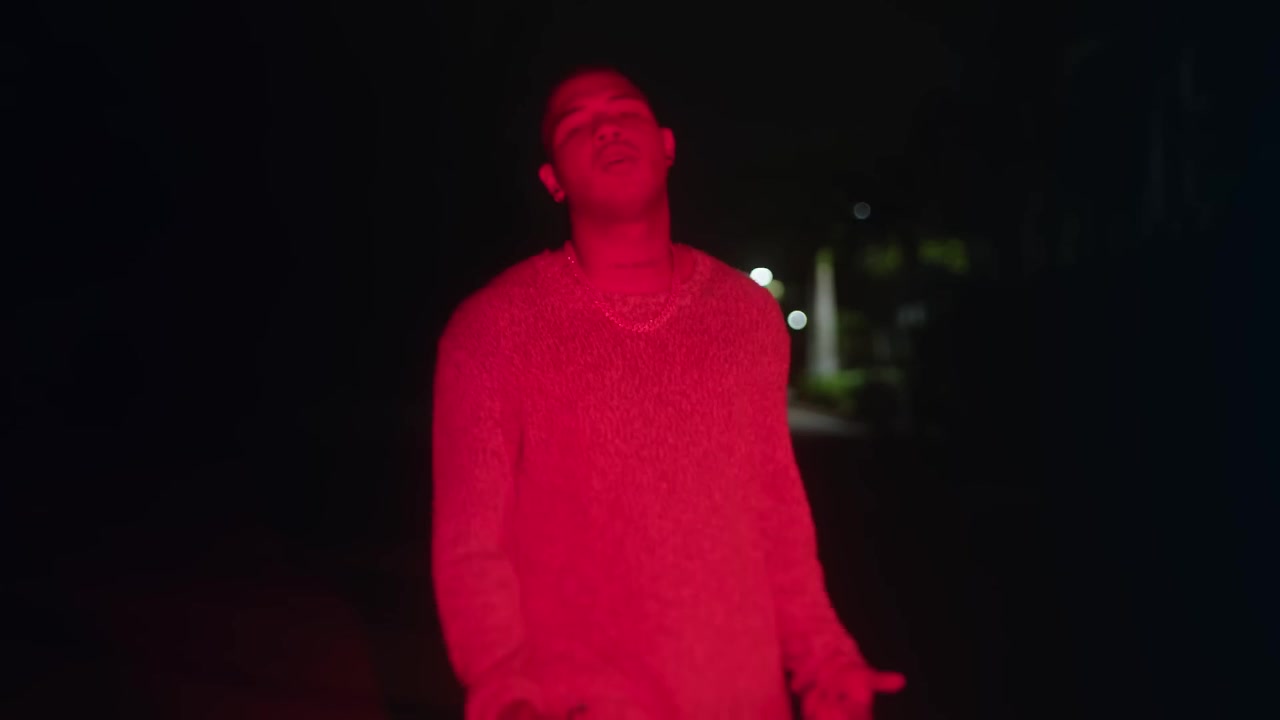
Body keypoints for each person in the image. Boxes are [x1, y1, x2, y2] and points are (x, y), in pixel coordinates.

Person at [431, 66, 905, 720]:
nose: (605, 128)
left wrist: (824, 661)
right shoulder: (490, 331)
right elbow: (472, 548)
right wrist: (505, 692)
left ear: (667, 144)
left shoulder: (745, 316)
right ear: (552, 180)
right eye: (575, 126)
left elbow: (774, 515)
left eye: (624, 111)